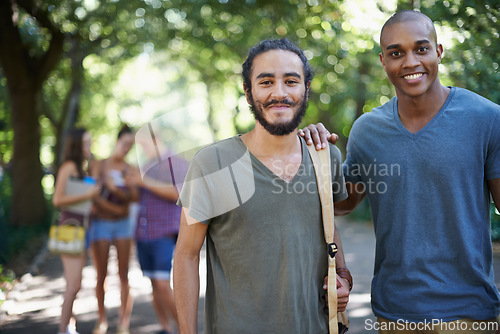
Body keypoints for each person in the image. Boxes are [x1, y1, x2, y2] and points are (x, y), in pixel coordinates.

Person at [302, 10, 500, 333]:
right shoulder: (367, 131)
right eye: (396, 53)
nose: (410, 62)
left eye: (421, 49)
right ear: (383, 61)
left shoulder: (487, 119)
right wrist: (310, 152)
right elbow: (341, 203)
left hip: (470, 313)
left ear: (438, 51)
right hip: (394, 314)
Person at [173, 38, 352, 334]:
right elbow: (186, 256)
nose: (279, 93)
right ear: (248, 92)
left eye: (290, 81)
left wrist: (342, 279)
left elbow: (329, 230)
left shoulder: (325, 156)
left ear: (306, 89)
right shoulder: (211, 164)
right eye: (266, 82)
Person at [126, 134, 188, 334]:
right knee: (153, 283)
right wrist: (131, 184)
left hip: (165, 233)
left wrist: (143, 182)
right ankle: (165, 328)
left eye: (144, 145)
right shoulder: (146, 166)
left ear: (156, 139)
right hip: (143, 233)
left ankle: (184, 329)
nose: (142, 150)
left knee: (162, 284)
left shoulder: (176, 163)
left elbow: (178, 194)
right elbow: (138, 199)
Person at [88, 125, 136, 334]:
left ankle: (123, 324)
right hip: (101, 225)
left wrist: (119, 190)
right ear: (117, 141)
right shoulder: (99, 165)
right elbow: (92, 195)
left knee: (124, 275)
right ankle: (102, 321)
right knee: (101, 275)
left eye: (130, 145)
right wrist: (116, 208)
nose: (127, 148)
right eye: (125, 143)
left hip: (123, 225)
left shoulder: (131, 169)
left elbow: (134, 197)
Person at [52, 128, 100, 334]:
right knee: (73, 285)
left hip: (82, 230)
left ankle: (69, 326)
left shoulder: (82, 168)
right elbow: (57, 200)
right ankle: (63, 330)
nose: (90, 146)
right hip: (70, 230)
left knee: (75, 284)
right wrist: (87, 193)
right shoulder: (69, 167)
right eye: (86, 142)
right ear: (77, 145)